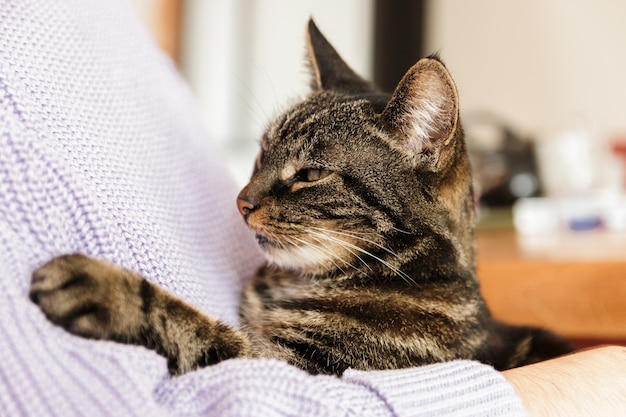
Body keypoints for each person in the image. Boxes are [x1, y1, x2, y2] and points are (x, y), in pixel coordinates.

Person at [0, 0, 624, 416]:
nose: (248, 201)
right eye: (264, 161)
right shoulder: (321, 278)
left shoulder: (421, 327)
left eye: (307, 178)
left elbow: (290, 396)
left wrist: (142, 310)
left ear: (428, 152)